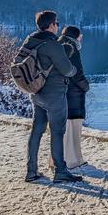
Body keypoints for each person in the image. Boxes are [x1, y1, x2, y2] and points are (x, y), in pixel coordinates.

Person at [23, 10, 83, 184]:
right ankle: (60, 172)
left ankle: (31, 171)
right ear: (50, 25)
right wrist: (74, 70)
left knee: (36, 131)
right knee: (57, 132)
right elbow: (67, 69)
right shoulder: (53, 45)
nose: (57, 26)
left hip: (36, 93)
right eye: (56, 23)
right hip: (55, 96)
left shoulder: (30, 41)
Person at [47, 26, 90, 170]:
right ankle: (73, 161)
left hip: (59, 93)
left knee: (62, 129)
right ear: (75, 36)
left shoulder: (57, 46)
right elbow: (77, 73)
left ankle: (55, 160)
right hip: (73, 95)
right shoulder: (72, 48)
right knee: (73, 128)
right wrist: (86, 86)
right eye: (80, 36)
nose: (81, 38)